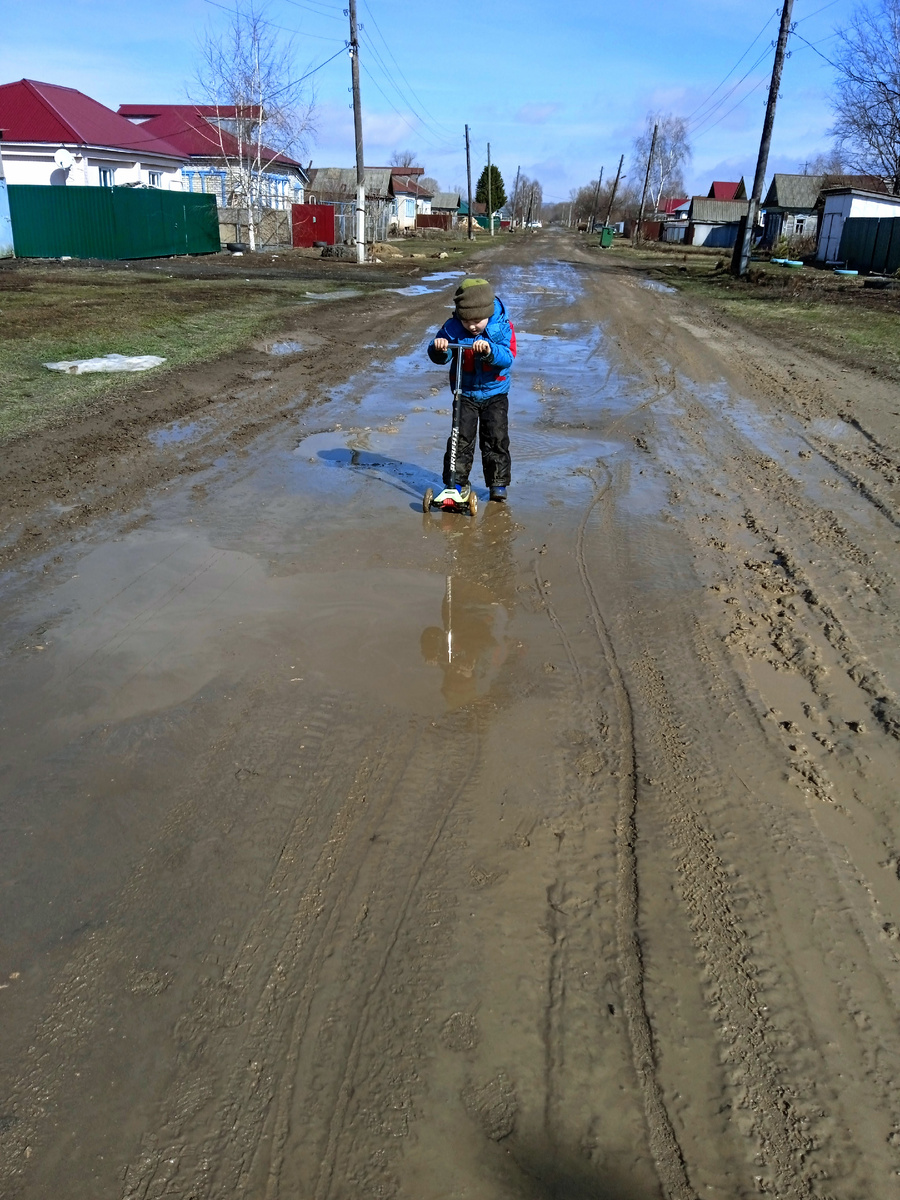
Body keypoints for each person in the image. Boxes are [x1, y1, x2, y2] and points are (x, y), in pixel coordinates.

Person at [427, 277, 516, 502]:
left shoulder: (501, 327)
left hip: (495, 392)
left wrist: (489, 350)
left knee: (495, 438)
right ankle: (455, 484)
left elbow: (508, 357)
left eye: (477, 321)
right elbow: (441, 354)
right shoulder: (452, 327)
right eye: (467, 322)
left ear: (488, 312)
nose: (472, 326)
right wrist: (439, 349)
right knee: (460, 438)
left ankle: (498, 483)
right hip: (464, 392)